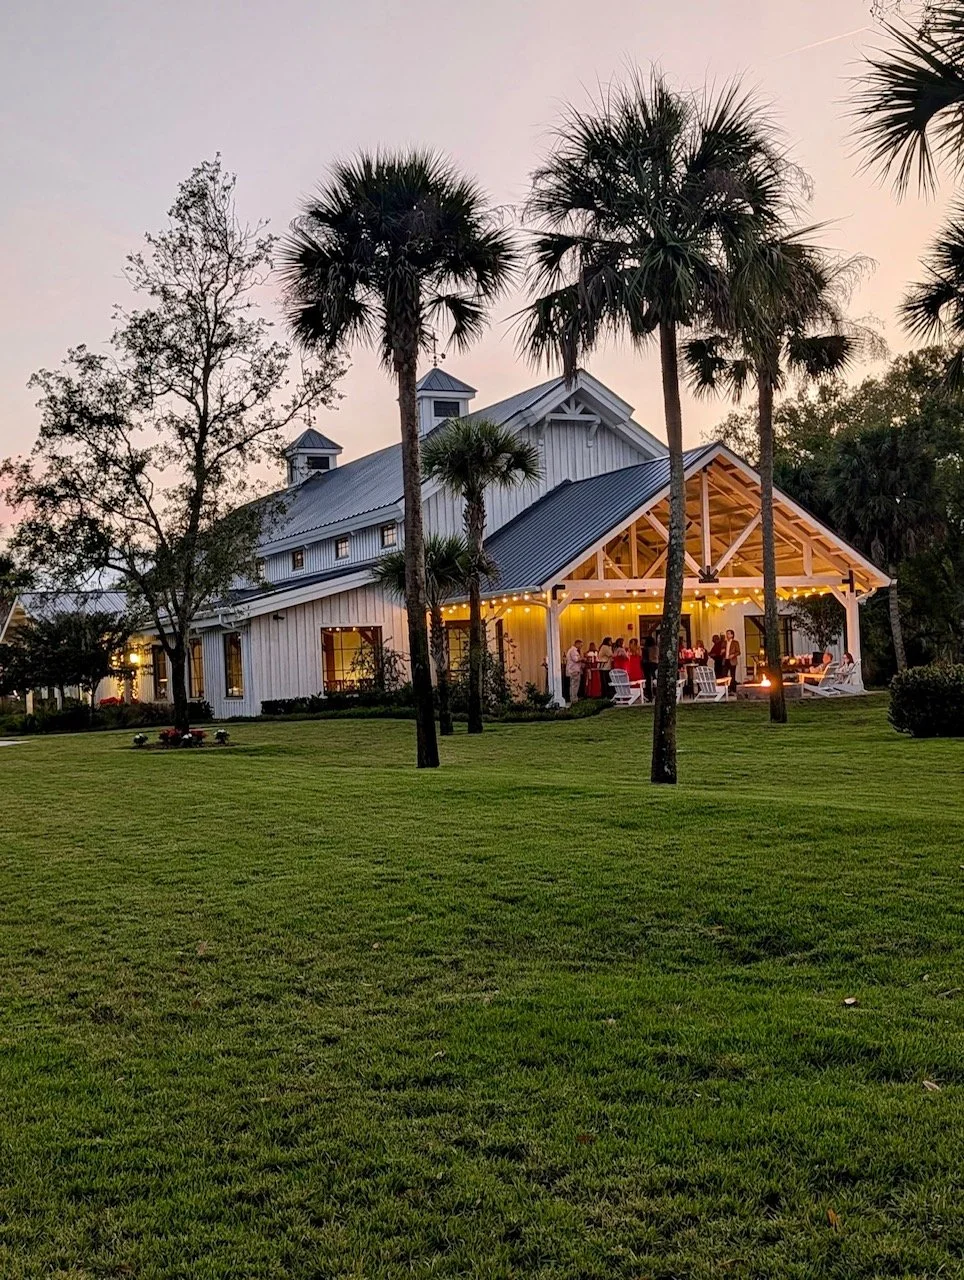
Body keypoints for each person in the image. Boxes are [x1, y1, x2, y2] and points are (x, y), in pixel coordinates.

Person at [565, 638, 584, 703]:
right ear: (577, 644)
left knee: (573, 685)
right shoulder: (573, 651)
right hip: (574, 670)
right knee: (575, 685)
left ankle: (573, 698)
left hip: (573, 670)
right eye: (580, 645)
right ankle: (574, 699)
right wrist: (582, 658)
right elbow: (576, 659)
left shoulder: (571, 650)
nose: (581, 647)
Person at [642, 631, 659, 702]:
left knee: (648, 681)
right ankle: (656, 694)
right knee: (655, 679)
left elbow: (645, 658)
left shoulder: (646, 648)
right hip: (655, 664)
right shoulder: (656, 648)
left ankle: (650, 696)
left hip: (648, 665)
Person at [724, 628, 741, 692]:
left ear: (732, 635)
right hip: (725, 660)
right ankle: (725, 689)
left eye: (728, 634)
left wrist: (733, 655)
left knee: (732, 675)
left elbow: (738, 652)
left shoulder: (735, 643)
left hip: (732, 660)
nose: (727, 635)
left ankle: (732, 689)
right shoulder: (724, 642)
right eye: (726, 634)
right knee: (724, 674)